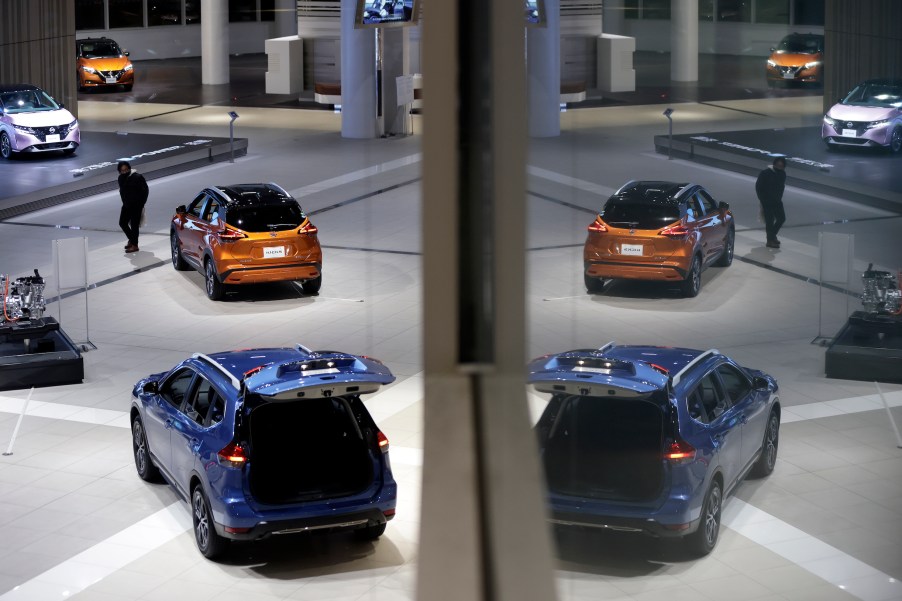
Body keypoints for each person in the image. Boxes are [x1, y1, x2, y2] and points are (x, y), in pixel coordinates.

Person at [117, 160, 149, 253]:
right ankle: (132, 240)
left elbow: (145, 190)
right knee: (122, 223)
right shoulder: (120, 178)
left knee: (134, 225)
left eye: (126, 170)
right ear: (119, 171)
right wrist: (124, 202)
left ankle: (135, 245)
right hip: (126, 205)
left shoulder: (137, 177)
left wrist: (141, 203)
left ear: (129, 169)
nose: (124, 172)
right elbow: (122, 191)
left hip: (136, 205)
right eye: (122, 171)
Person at [755, 156, 787, 249]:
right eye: (778, 165)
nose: (779, 167)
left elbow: (781, 187)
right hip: (767, 201)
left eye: (781, 166)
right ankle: (770, 241)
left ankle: (772, 236)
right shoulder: (765, 173)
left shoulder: (782, 174)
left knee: (781, 218)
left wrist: (779, 198)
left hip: (777, 201)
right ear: (774, 164)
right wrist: (763, 199)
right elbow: (758, 187)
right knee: (770, 220)